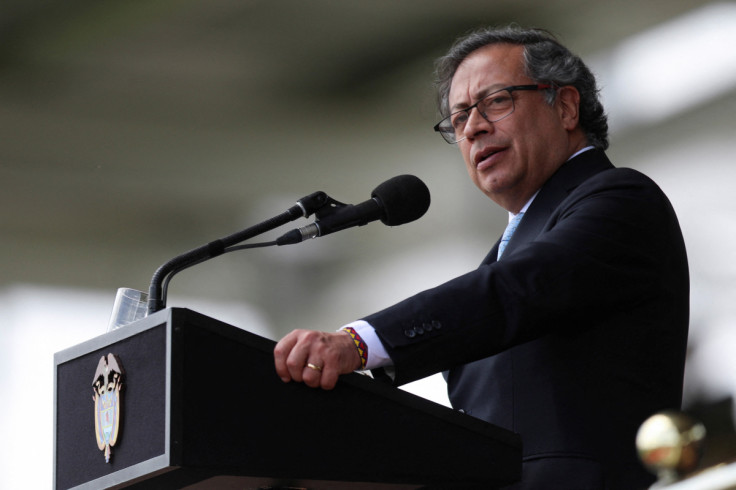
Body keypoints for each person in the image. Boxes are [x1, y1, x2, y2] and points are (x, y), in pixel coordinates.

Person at [273, 26, 689, 489]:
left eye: (496, 101)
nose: (473, 127)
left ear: (566, 106)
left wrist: (358, 342)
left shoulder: (620, 199)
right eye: (459, 117)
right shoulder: (503, 256)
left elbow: (518, 291)